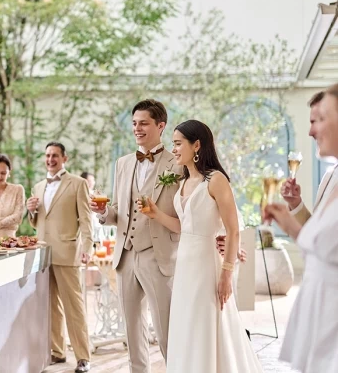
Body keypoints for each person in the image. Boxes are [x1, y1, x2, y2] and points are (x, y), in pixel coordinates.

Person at [139, 120, 262, 372]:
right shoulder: (184, 182)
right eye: (173, 144)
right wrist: (155, 214)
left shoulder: (215, 180)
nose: (174, 149)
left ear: (196, 145)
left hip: (207, 266)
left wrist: (226, 275)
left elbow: (233, 230)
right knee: (188, 326)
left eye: (178, 144)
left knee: (208, 323)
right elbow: (184, 227)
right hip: (184, 267)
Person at [90, 99, 182, 373]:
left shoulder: (177, 163)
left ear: (161, 126)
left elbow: (185, 210)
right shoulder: (123, 163)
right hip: (125, 255)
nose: (137, 129)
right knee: (132, 331)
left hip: (159, 255)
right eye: (134, 123)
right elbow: (119, 210)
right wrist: (103, 212)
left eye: (144, 123)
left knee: (166, 331)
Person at [264, 85, 338, 373]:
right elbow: (322, 241)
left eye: (319, 119)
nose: (311, 131)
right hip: (319, 309)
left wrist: (287, 222)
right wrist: (293, 208)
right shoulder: (330, 176)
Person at [27, 142, 92, 373]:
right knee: (51, 305)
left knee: (74, 307)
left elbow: (86, 219)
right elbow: (36, 222)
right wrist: (31, 210)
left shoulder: (78, 183)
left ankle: (83, 357)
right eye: (47, 155)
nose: (50, 159)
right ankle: (57, 351)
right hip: (43, 254)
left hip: (67, 252)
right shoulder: (38, 186)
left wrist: (88, 247)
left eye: (55, 155)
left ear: (65, 158)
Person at [280, 91, 336, 224]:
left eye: (316, 121)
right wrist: (295, 204)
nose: (311, 132)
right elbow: (317, 231)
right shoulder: (330, 174)